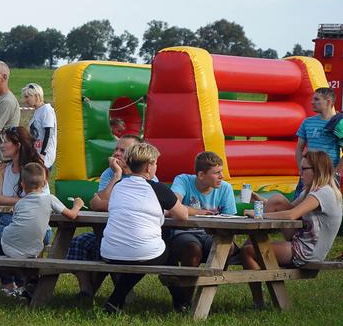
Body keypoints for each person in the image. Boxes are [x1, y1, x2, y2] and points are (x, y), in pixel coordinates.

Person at [100, 142, 189, 314]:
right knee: (163, 253)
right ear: (149, 167)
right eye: (155, 163)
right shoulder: (158, 189)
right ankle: (181, 302)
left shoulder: (118, 187)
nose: (156, 167)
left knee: (142, 253)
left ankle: (115, 301)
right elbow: (183, 214)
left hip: (110, 252)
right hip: (142, 252)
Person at [67, 134, 144, 300]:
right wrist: (116, 176)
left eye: (122, 151)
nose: (116, 153)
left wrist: (106, 203)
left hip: (133, 234)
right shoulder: (109, 173)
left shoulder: (144, 174)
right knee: (78, 244)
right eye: (116, 149)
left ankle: (121, 293)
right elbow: (98, 203)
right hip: (107, 231)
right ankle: (86, 290)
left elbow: (101, 203)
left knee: (104, 248)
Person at [0, 164, 83, 292]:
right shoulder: (50, 199)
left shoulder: (19, 203)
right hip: (32, 251)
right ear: (44, 183)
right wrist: (77, 205)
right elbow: (71, 215)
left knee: (2, 231)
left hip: (8, 247)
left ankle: (13, 283)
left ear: (22, 184)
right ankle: (29, 284)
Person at [241, 151, 342, 269]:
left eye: (304, 169)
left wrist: (259, 214)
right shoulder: (312, 191)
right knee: (277, 200)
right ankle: (244, 249)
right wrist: (259, 199)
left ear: (317, 170)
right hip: (301, 243)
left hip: (307, 253)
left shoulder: (324, 192)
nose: (300, 173)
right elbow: (285, 208)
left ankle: (241, 255)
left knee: (247, 251)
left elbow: (291, 215)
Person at [167, 151, 237, 311]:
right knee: (192, 249)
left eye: (222, 171)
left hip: (211, 234)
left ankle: (205, 294)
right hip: (183, 233)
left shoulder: (225, 188)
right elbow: (173, 206)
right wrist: (201, 212)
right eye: (217, 173)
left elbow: (231, 219)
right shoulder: (183, 180)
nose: (222, 176)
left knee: (227, 247)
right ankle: (184, 301)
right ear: (200, 175)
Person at [294, 88, 341, 195]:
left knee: (326, 208)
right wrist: (302, 170)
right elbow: (299, 149)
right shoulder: (307, 122)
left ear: (328, 102)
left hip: (328, 174)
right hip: (308, 172)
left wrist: (336, 172)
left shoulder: (339, 123)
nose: (312, 102)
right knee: (298, 204)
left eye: (316, 99)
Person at [22, 83, 57, 171]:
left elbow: (49, 133)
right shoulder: (38, 110)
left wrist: (42, 154)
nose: (25, 100)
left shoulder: (46, 110)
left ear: (36, 96)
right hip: (37, 154)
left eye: (27, 97)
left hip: (44, 158)